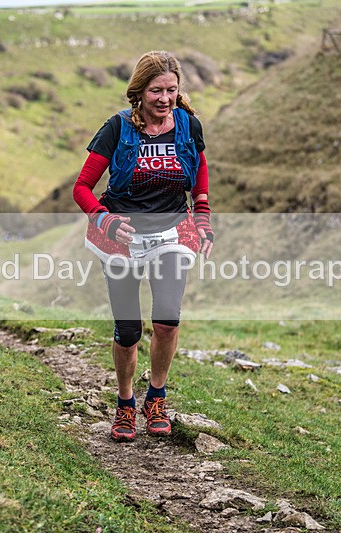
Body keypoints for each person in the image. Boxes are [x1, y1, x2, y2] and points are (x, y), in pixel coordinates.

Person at [73, 51, 214, 442]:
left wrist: (202, 214)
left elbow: (200, 167)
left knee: (167, 321)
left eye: (171, 90)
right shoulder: (117, 128)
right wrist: (105, 219)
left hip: (172, 232)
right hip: (122, 239)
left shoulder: (187, 125)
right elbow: (82, 188)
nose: (165, 99)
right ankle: (124, 403)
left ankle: (156, 397)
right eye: (156, 91)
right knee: (128, 330)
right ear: (139, 91)